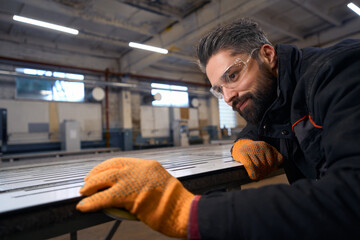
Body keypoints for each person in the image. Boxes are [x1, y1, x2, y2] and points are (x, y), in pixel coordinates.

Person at [76, 18, 360, 239]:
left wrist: (191, 212)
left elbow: (351, 199)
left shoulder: (340, 73)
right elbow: (259, 126)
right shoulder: (276, 95)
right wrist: (244, 143)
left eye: (233, 76)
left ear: (268, 55)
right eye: (218, 89)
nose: (227, 97)